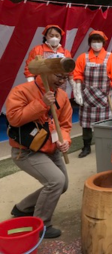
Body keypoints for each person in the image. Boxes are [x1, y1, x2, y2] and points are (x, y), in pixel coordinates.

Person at [6, 71, 72, 239]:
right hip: (26, 151)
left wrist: (64, 140)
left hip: (52, 148)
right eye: (59, 76)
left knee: (62, 185)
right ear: (46, 73)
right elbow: (14, 119)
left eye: (66, 77)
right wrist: (42, 103)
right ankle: (41, 224)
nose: (62, 81)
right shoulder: (21, 91)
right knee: (56, 181)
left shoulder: (62, 96)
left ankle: (22, 208)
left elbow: (64, 124)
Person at [73, 31, 112, 158]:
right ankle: (86, 146)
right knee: (86, 124)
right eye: (94, 41)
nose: (96, 44)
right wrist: (77, 92)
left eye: (99, 41)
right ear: (90, 43)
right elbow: (77, 75)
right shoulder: (82, 57)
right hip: (87, 96)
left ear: (103, 42)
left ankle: (108, 145)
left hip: (105, 97)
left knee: (107, 123)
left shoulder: (110, 57)